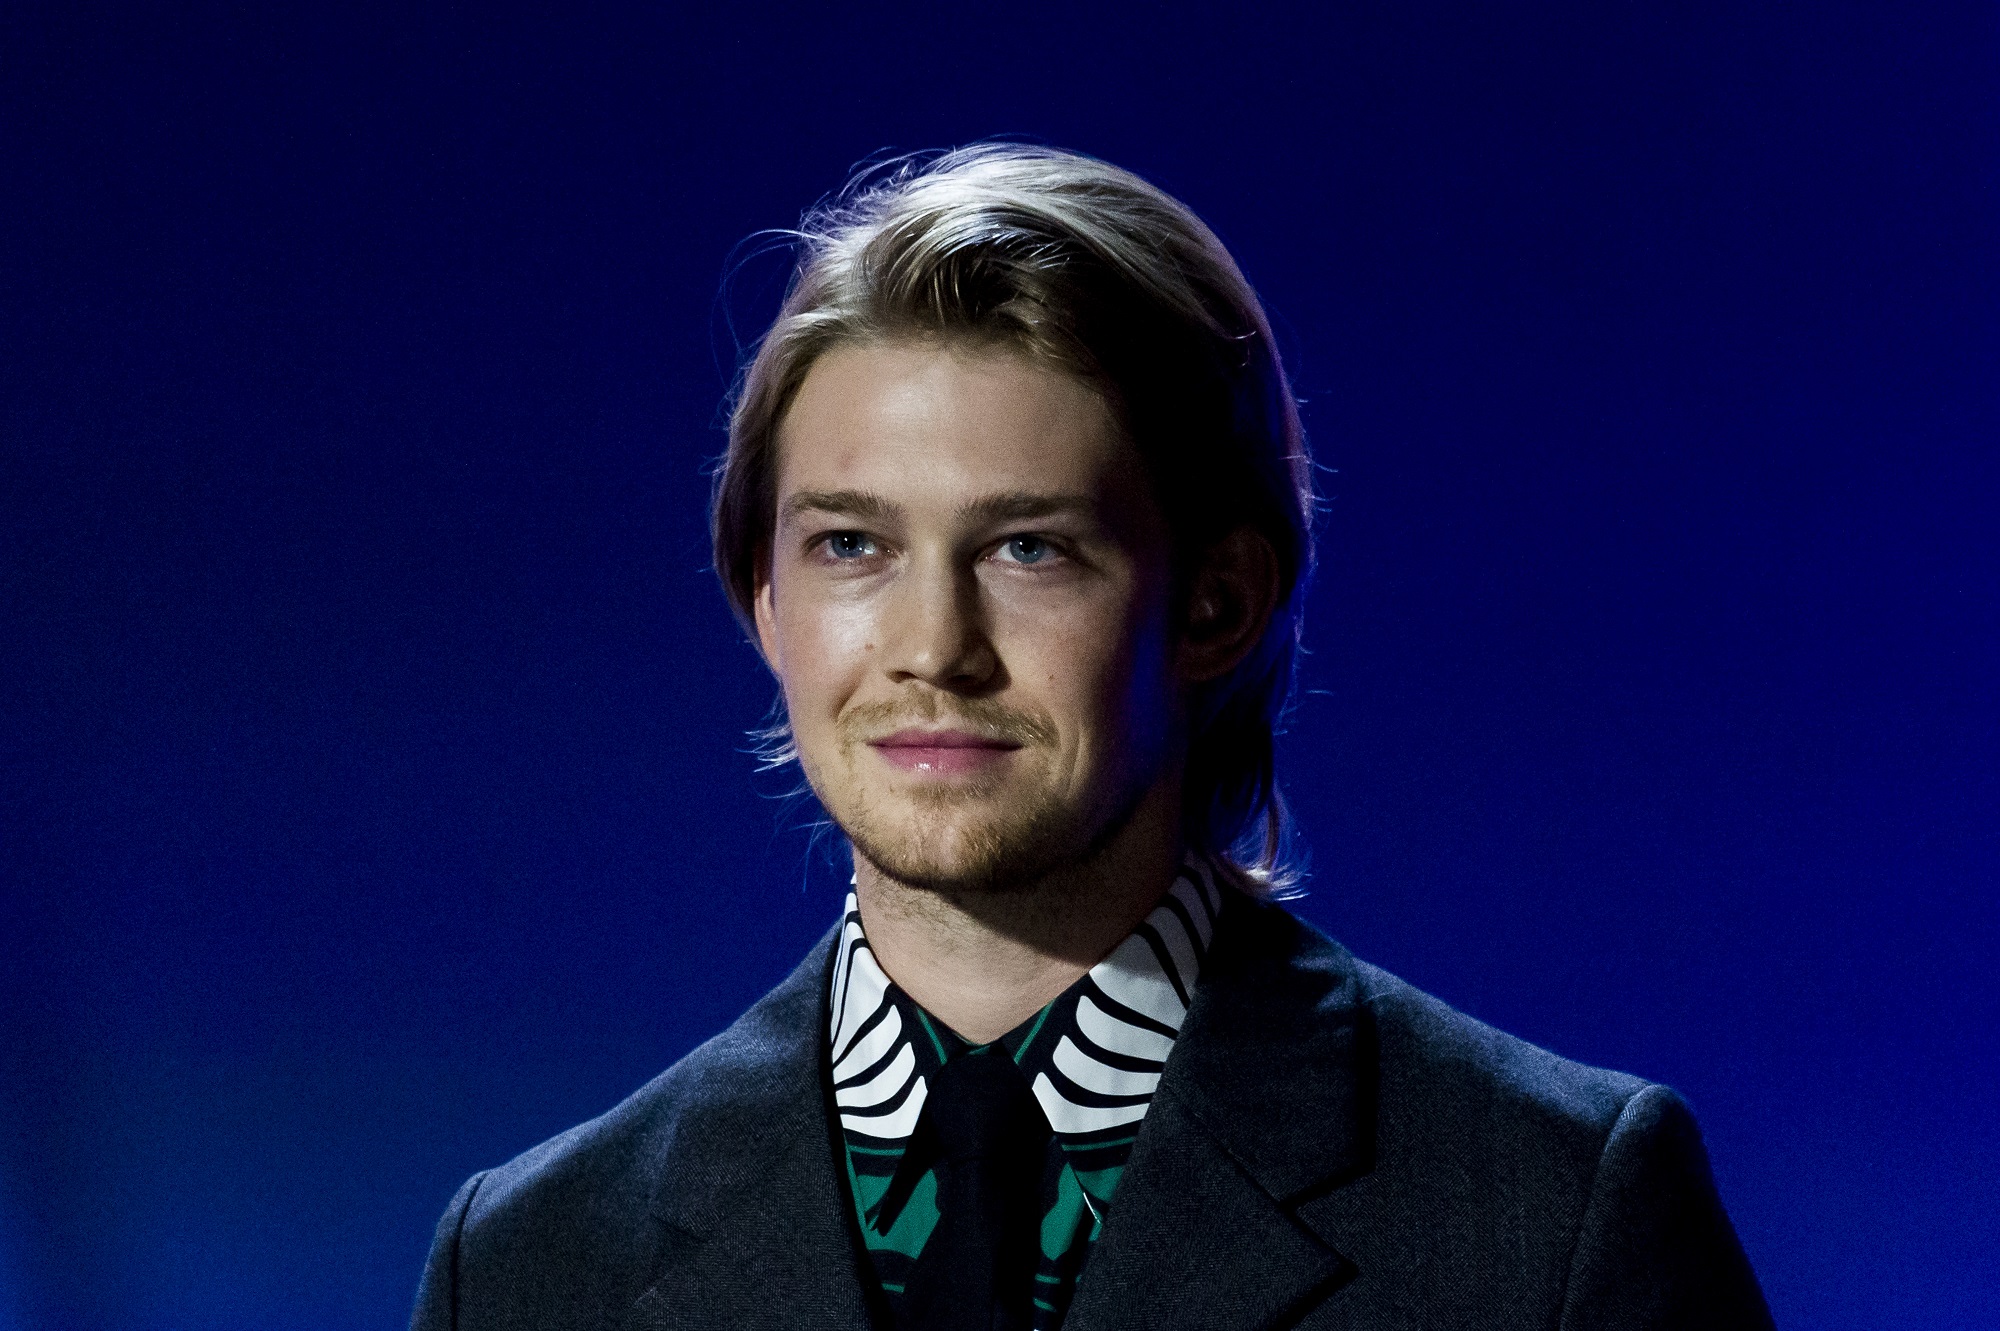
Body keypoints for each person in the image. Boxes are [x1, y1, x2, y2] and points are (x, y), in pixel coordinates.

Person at [410, 144, 1772, 1331]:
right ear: (764, 600)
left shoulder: (1549, 1222)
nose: (932, 647)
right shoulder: (533, 1265)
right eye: (850, 545)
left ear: (1220, 601)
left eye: (1027, 548)